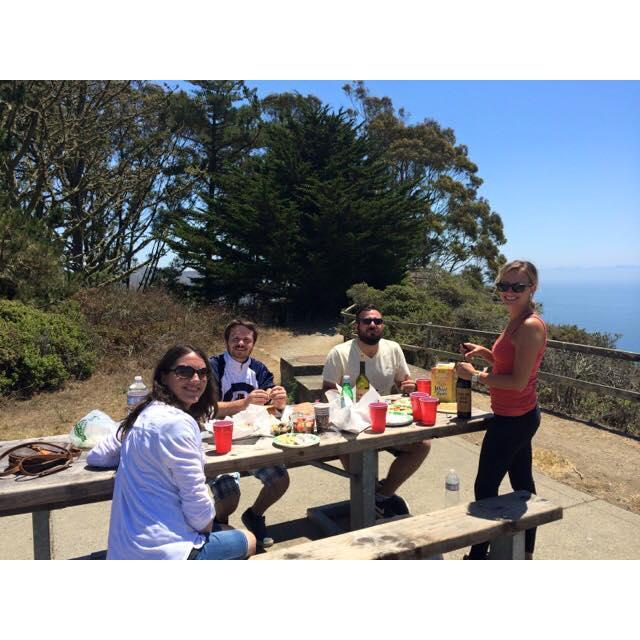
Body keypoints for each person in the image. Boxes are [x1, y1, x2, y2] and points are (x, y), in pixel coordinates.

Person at [86, 344, 256, 560]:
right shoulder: (179, 424)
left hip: (123, 550)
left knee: (224, 530)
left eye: (203, 372)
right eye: (184, 372)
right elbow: (198, 510)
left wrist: (143, 460)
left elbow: (97, 456)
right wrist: (209, 530)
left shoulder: (143, 412)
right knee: (249, 539)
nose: (196, 379)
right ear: (164, 377)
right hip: (166, 552)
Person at [456, 259, 547, 560]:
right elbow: (508, 363)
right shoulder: (515, 319)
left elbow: (518, 382)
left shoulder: (530, 326)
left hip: (515, 419)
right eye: (503, 285)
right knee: (523, 485)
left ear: (532, 288)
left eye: (518, 286)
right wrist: (485, 353)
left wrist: (475, 376)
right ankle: (526, 553)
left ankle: (478, 554)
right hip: (515, 416)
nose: (509, 291)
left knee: (484, 487)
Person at [322, 304, 432, 519]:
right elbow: (327, 389)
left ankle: (381, 496)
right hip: (351, 424)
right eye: (367, 321)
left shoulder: (393, 348)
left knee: (422, 444)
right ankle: (370, 498)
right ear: (357, 326)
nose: (373, 325)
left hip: (386, 420)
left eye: (378, 321)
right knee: (353, 450)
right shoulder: (340, 353)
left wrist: (409, 387)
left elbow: (403, 383)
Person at [207, 319, 289, 549]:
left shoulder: (259, 369)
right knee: (229, 497)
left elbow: (270, 407)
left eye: (246, 339)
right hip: (217, 441)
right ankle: (219, 524)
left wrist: (279, 402)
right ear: (226, 341)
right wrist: (244, 403)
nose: (241, 343)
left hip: (252, 437)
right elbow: (207, 408)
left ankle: (255, 515)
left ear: (253, 343)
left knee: (280, 481)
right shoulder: (213, 367)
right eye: (235, 339)